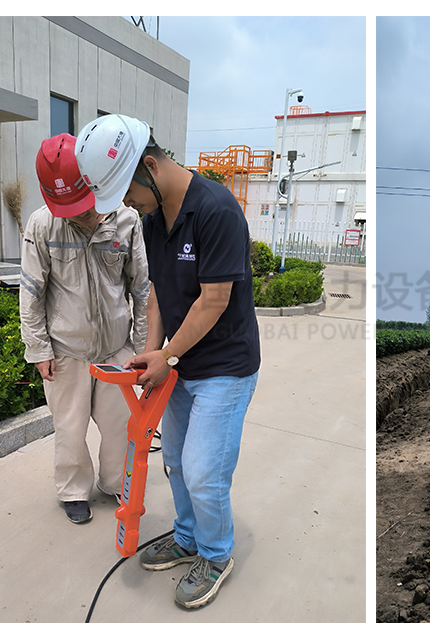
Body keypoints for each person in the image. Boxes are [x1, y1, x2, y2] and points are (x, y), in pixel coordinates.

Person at [75, 113, 261, 609]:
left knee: (203, 470)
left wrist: (169, 354)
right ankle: (187, 537)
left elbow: (213, 302)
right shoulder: (154, 221)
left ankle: (217, 554)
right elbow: (159, 294)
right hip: (180, 362)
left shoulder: (217, 210)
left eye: (129, 193)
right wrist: (153, 354)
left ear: (150, 167)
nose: (129, 204)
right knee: (175, 461)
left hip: (225, 365)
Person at [20, 133, 149, 524]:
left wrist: (141, 350)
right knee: (70, 430)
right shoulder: (42, 225)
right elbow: (31, 292)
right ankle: (74, 490)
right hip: (66, 352)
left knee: (119, 427)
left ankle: (113, 482)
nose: (75, 214)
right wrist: (39, 350)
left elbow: (142, 289)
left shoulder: (126, 219)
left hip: (115, 349)